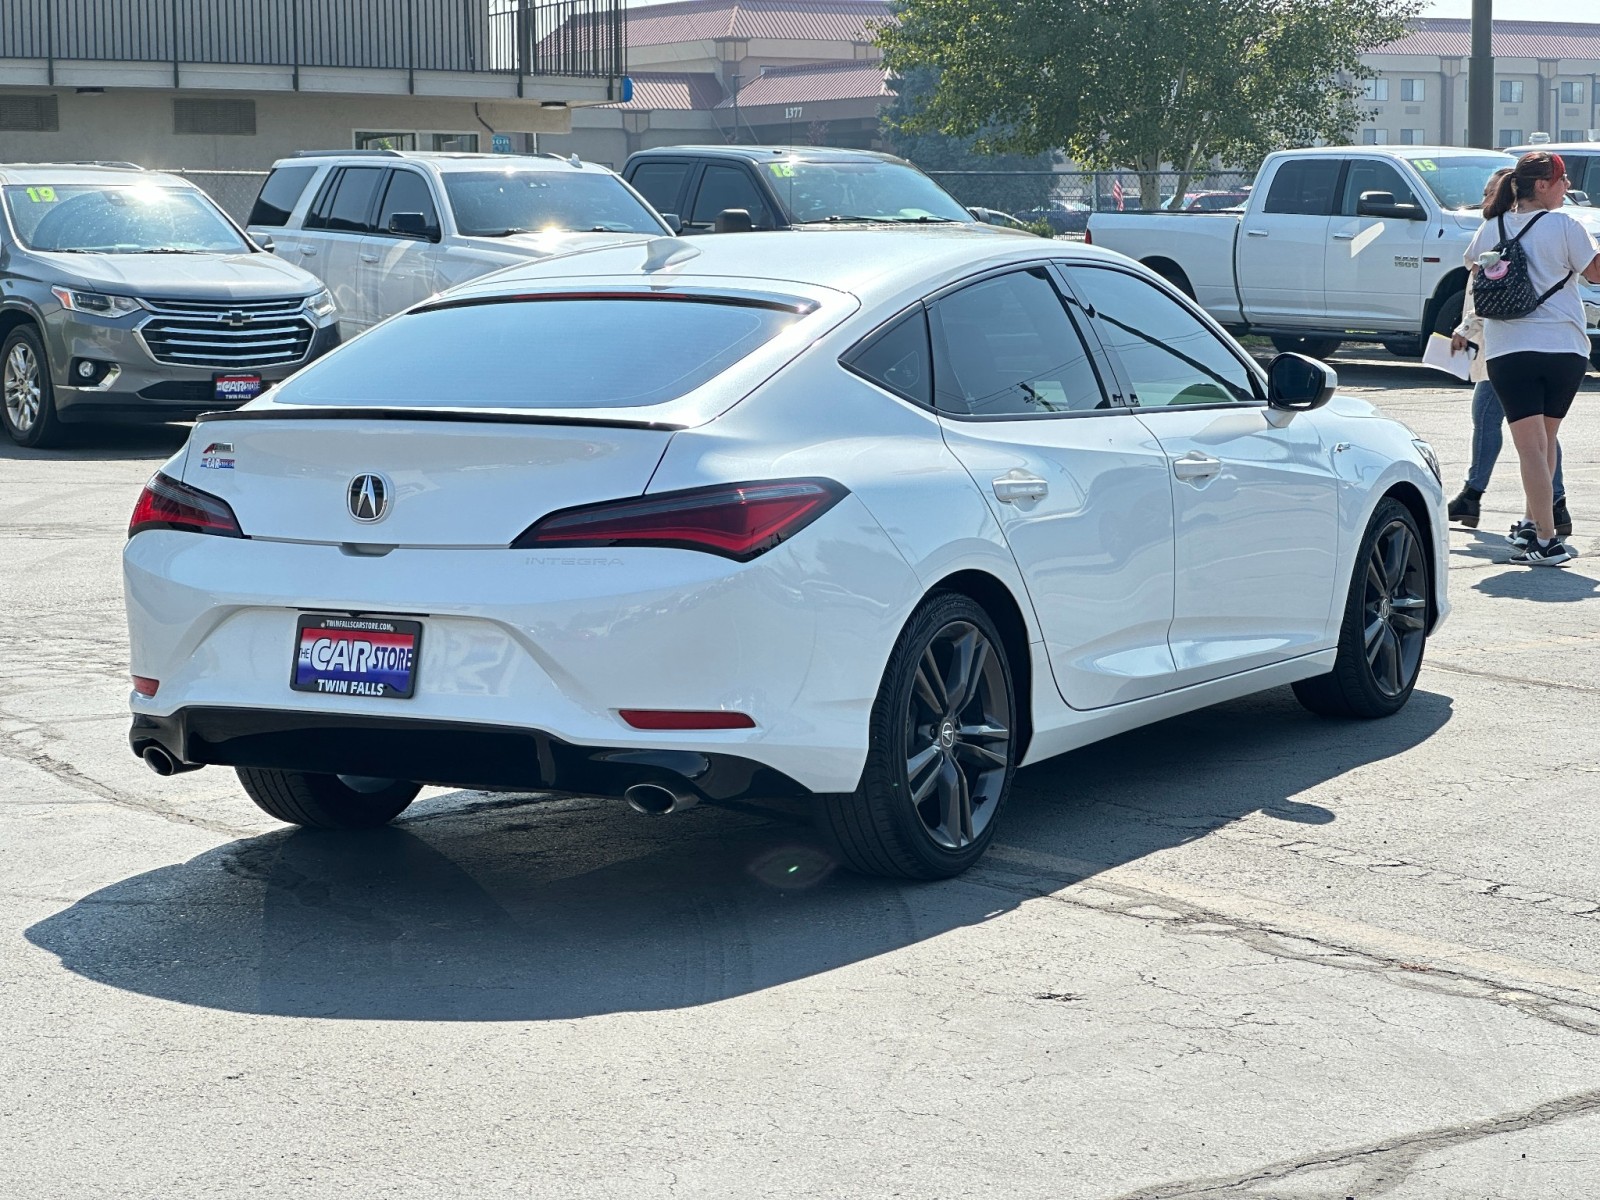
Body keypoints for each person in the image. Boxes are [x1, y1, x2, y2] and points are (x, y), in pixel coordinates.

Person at [1462, 151, 1600, 566]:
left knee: (1531, 448)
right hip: (1566, 349)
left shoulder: (1492, 227)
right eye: (1561, 182)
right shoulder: (1564, 225)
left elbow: (1471, 266)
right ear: (1542, 185)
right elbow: (1594, 273)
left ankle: (1544, 539)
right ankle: (1531, 523)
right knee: (1545, 440)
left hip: (1511, 350)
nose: (1566, 189)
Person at [1448, 168, 1569, 536]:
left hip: (1503, 347)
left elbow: (1492, 295)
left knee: (1497, 422)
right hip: (1540, 347)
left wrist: (1464, 328)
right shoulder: (1518, 230)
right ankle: (1554, 507)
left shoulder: (1493, 233)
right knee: (1541, 435)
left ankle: (1476, 496)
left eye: (1490, 192)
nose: (1487, 198)